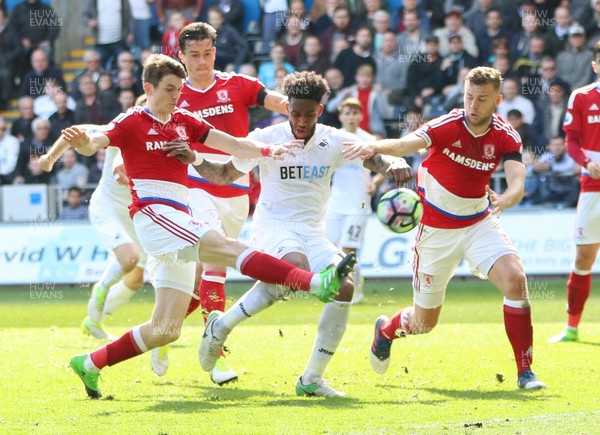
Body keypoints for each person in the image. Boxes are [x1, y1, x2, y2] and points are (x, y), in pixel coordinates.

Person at [66, 54, 353, 399]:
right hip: (154, 212)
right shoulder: (131, 121)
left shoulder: (184, 119)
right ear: (148, 88)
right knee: (227, 249)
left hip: (178, 213)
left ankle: (90, 362)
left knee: (166, 329)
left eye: (179, 89)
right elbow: (96, 142)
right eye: (170, 89)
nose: (177, 95)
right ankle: (313, 282)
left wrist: (268, 149)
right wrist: (84, 143)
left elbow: (232, 145)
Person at [196, 71, 412, 397]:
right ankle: (222, 326)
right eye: (295, 113)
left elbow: (372, 157)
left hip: (313, 230)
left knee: (345, 288)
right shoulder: (266, 138)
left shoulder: (333, 139)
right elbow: (224, 175)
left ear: (319, 112)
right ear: (287, 109)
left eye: (308, 114)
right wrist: (195, 158)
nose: (300, 120)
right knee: (293, 268)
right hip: (273, 224)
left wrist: (391, 164)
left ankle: (310, 378)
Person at [342, 66, 547, 390]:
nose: (473, 105)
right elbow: (407, 143)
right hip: (436, 232)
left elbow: (517, 181)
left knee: (515, 279)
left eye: (482, 99)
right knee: (425, 323)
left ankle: (525, 371)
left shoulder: (506, 135)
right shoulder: (448, 124)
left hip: (479, 222)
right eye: (469, 97)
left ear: (496, 100)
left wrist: (508, 197)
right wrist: (376, 147)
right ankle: (386, 329)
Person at [151, 22, 292, 384]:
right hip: (195, 184)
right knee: (216, 265)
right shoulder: (174, 96)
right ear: (180, 57)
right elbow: (144, 128)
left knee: (201, 284)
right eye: (194, 56)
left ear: (216, 51)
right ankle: (217, 358)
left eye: (208, 53)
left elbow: (278, 101)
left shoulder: (237, 84)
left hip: (236, 187)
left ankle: (161, 332)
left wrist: (301, 106)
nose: (202, 62)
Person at [40, 119, 147, 340]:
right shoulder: (123, 126)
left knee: (136, 279)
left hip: (136, 213)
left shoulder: (165, 135)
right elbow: (75, 132)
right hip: (107, 207)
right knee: (129, 259)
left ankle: (93, 321)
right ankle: (102, 288)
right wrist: (49, 159)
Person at [548, 41, 600, 343]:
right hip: (592, 186)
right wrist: (585, 162)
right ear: (594, 66)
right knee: (583, 259)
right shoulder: (581, 97)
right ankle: (571, 327)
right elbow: (571, 142)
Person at [325, 98, 381, 304]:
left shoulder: (369, 140)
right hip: (336, 202)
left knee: (349, 249)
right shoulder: (334, 138)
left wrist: (375, 182)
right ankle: (336, 286)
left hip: (359, 203)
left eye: (355, 113)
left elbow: (385, 164)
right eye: (347, 113)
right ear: (341, 117)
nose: (351, 117)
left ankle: (352, 290)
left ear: (361, 116)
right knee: (329, 248)